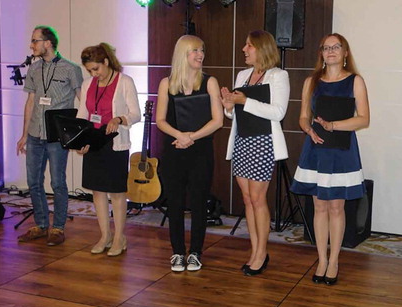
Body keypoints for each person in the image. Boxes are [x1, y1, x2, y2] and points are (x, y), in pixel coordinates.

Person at [290, 33, 369, 285]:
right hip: (316, 148)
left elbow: (364, 119)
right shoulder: (311, 81)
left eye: (336, 47)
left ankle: (334, 260)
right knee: (319, 206)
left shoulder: (355, 81)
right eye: (326, 47)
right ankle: (321, 259)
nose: (331, 51)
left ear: (345, 52)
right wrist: (309, 128)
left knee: (337, 206)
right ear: (321, 54)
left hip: (342, 149)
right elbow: (303, 116)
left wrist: (333, 125)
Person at [221, 30, 290, 276]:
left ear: (261, 48)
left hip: (263, 143)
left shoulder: (278, 75)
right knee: (248, 199)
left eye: (249, 45)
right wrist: (229, 107)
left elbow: (278, 112)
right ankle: (254, 250)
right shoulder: (243, 74)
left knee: (258, 199)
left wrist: (242, 102)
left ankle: (262, 252)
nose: (244, 49)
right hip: (241, 141)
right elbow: (235, 114)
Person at [156, 35, 223, 272]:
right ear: (182, 54)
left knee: (198, 203)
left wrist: (191, 137)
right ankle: (177, 252)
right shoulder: (167, 83)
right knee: (174, 203)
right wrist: (180, 136)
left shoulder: (210, 82)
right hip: (174, 151)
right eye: (194, 50)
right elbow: (160, 120)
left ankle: (195, 252)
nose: (200, 55)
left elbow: (217, 120)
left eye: (202, 50)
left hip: (201, 151)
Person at [16, 25, 83, 246]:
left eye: (35, 40)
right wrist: (24, 133)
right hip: (35, 134)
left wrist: (82, 136)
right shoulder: (34, 69)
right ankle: (41, 224)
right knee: (34, 182)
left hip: (56, 136)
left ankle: (58, 228)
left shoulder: (71, 69)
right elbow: (31, 102)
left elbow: (81, 101)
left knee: (58, 182)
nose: (31, 45)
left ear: (48, 43)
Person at [76, 43, 141, 256]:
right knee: (97, 191)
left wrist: (119, 118)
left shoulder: (125, 82)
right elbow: (82, 115)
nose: (94, 74)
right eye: (90, 71)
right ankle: (105, 235)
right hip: (94, 141)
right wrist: (80, 140)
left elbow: (135, 114)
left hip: (115, 143)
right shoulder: (88, 84)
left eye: (96, 69)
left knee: (117, 192)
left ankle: (120, 237)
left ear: (106, 62)